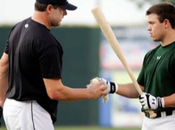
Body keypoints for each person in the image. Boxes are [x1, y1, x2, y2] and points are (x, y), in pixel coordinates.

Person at [0, 0, 109, 130]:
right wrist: (90, 93)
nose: (66, 13)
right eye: (62, 9)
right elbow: (55, 91)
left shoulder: (18, 28)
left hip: (12, 109)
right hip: (31, 113)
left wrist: (3, 100)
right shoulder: (46, 42)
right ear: (50, 8)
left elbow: (2, 66)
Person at [96, 2, 175, 130]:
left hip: (171, 121)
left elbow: (155, 100)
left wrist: (160, 102)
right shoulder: (151, 55)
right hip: (148, 122)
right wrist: (111, 86)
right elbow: (139, 89)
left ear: (166, 23)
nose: (148, 28)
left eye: (152, 23)